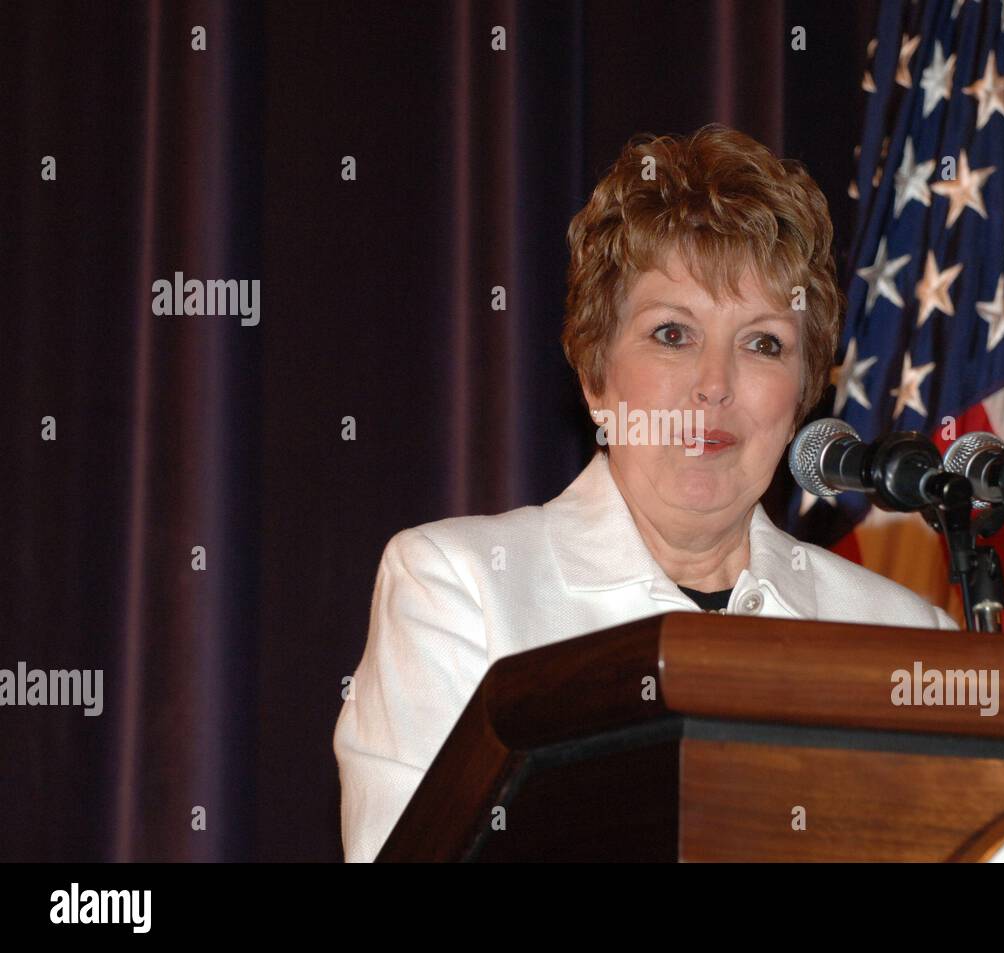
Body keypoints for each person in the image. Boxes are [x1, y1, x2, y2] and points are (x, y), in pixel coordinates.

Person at [333, 123, 957, 862]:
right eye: (672, 334)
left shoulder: (905, 635)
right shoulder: (457, 588)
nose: (715, 385)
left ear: (801, 398)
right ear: (597, 377)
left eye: (763, 343)